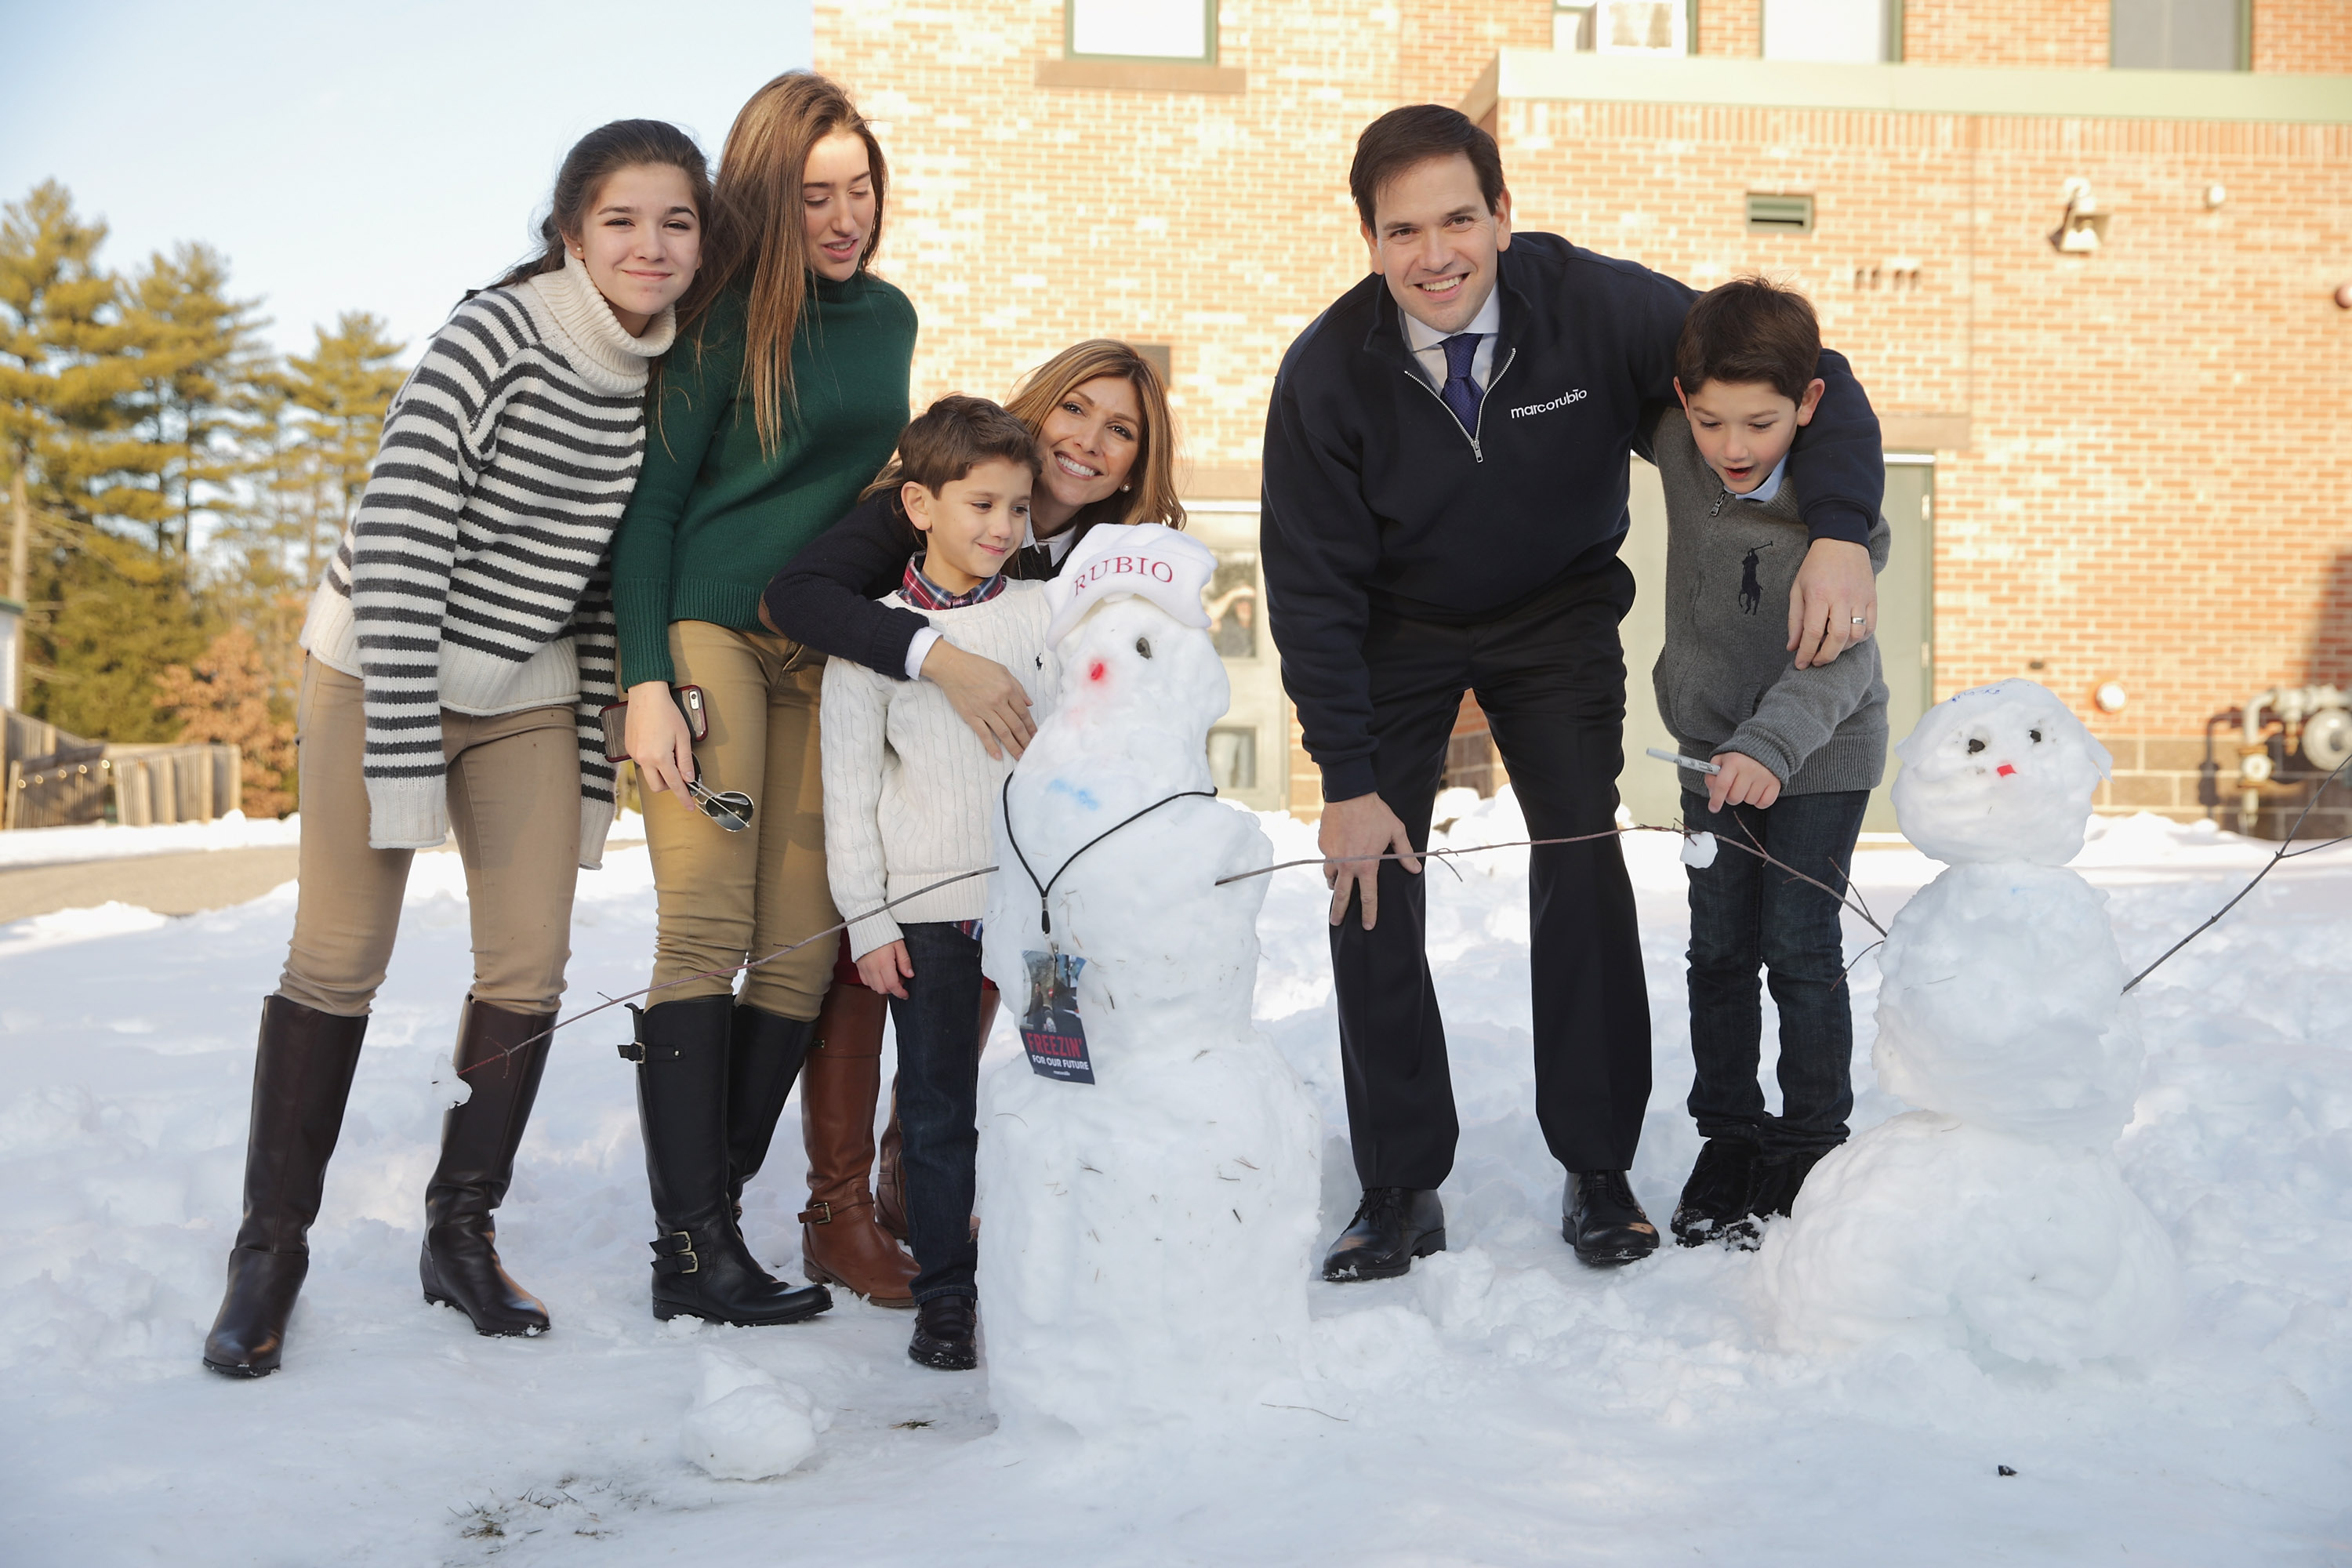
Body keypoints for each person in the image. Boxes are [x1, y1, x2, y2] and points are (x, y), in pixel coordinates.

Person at [1261, 104, 1887, 1281]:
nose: (1435, 254)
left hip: (1553, 613)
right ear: (1369, 238)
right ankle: (1398, 1183)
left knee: (1578, 849)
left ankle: (1597, 1169)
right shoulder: (1326, 377)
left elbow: (1812, 375)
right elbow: (1309, 590)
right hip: (1393, 625)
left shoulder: (1600, 307)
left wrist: (1844, 534)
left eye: (1459, 217)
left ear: (1503, 214)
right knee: (1369, 876)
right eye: (1403, 231)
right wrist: (1346, 779)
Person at [201, 122, 708, 1377]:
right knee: (339, 952)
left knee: (530, 962)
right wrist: (406, 754)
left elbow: (604, 573)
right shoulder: (498, 337)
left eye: (677, 223)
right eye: (622, 221)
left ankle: (459, 1232)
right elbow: (408, 539)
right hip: (380, 661)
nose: (651, 246)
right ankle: (270, 1248)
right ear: (570, 232)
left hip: (524, 685)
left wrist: (602, 728)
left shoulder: (665, 370)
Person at [757, 338, 1183, 1291]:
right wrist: (940, 659)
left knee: (1008, 1025)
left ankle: (924, 1181)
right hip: (884, 774)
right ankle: (840, 1205)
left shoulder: (1097, 571)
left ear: (1137, 463)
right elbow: (798, 595)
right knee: (873, 967)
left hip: (1021, 877)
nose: (1089, 441)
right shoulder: (946, 490)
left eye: (1121, 430)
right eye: (1075, 409)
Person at [608, 71, 914, 1327]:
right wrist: (643, 682)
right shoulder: (721, 318)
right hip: (708, 637)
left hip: (816, 649)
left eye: (860, 191)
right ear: (766, 200)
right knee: (707, 927)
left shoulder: (890, 318)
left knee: (798, 944)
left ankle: (705, 1225)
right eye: (813, 196)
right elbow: (654, 506)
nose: (843, 219)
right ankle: (698, 1245)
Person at [817, 395, 1059, 1372]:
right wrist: (870, 919)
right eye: (981, 505)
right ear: (919, 502)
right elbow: (850, 796)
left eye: (1018, 508)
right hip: (930, 916)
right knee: (934, 1104)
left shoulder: (1045, 613)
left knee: (1063, 1073)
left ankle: (1061, 1264)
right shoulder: (873, 640)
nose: (1002, 528)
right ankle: (947, 1295)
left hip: (1040, 914)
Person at [1649, 278, 1888, 1247]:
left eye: (1762, 421)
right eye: (1711, 421)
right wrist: (1726, 747)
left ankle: (1808, 1141)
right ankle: (1731, 1134)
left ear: (1810, 407)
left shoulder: (1844, 519)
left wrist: (1769, 746)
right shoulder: (1677, 446)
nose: (1735, 447)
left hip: (1820, 757)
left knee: (1798, 949)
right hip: (1709, 756)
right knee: (1717, 952)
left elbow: (1845, 663)